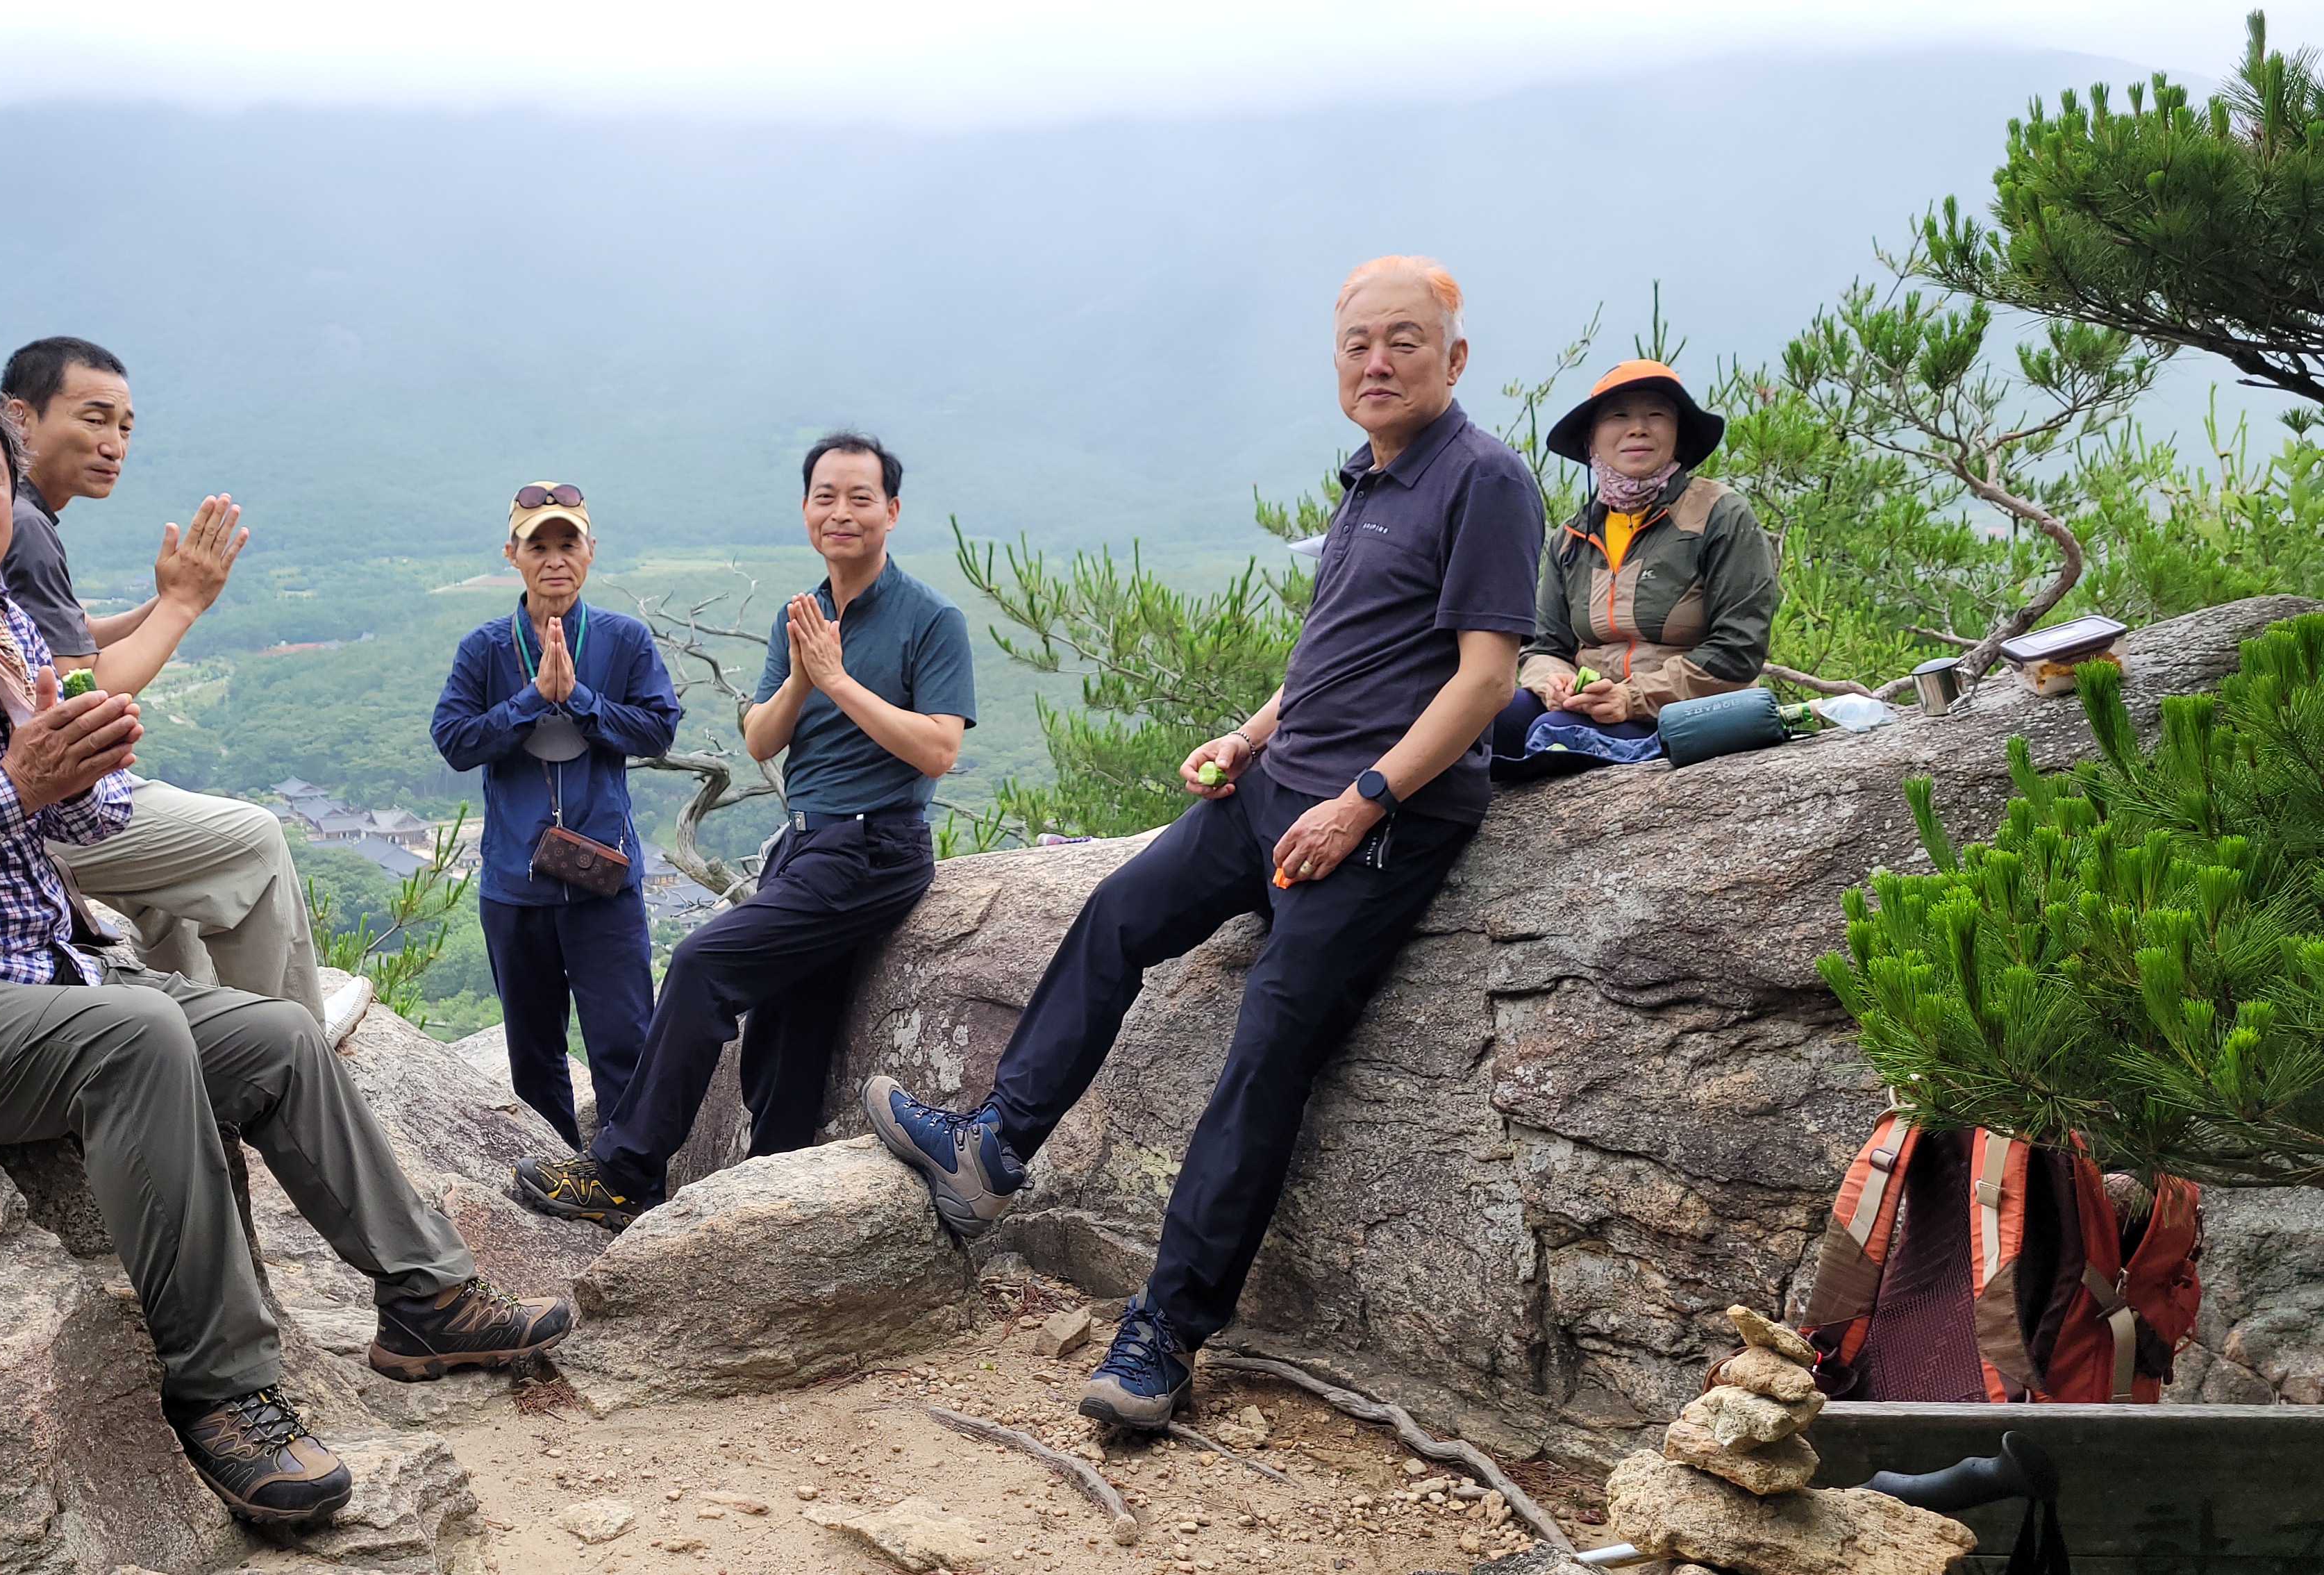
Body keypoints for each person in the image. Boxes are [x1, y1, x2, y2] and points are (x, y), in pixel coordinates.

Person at [0, 372, 572, 1527]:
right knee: (139, 1034)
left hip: (20, 973)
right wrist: (15, 783)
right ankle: (226, 1391)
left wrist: (85, 770)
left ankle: (427, 1299)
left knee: (278, 1037)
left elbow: (79, 821)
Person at [863, 258, 1544, 1428]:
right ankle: (994, 1146)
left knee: (1268, 1048)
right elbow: (1338, 649)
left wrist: (1364, 799)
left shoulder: (1482, 477)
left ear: (1455, 357)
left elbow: (1485, 678)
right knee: (1119, 911)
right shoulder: (1368, 476)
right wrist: (1249, 734)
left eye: (1404, 340)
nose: (1377, 362)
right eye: (1357, 344)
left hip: (1382, 821)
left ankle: (1167, 1332)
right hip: (1277, 787)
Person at [511, 433, 976, 1230]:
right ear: (805, 510)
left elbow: (939, 748)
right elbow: (761, 738)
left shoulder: (930, 618)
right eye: (825, 496)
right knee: (785, 1037)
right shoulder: (803, 615)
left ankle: (623, 1173)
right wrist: (804, 675)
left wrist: (837, 680)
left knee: (702, 965)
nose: (840, 512)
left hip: (874, 846)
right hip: (807, 843)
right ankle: (772, 1210)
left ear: (892, 511)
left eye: (860, 497)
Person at [0, 337, 340, 1034]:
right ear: (19, 417)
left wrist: (165, 601)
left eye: (125, 427)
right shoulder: (23, 524)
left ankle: (206, 1036)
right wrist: (183, 606)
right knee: (253, 843)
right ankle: (290, 1051)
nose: (113, 444)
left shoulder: (12, 511)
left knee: (174, 872)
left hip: (7, 791)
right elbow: (84, 696)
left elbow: (65, 639)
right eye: (94, 418)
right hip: (25, 807)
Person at [430, 483, 682, 1150]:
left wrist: (583, 701)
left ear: (590, 551)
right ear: (511, 555)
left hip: (605, 882)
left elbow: (659, 730)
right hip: (516, 886)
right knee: (534, 1055)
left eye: (567, 543)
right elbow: (454, 741)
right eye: (537, 546)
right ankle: (553, 1177)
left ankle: (632, 1185)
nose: (554, 559)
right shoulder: (486, 648)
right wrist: (532, 700)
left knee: (625, 1045)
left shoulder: (623, 641)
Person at [1486, 359, 1778, 778]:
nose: (1638, 428)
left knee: (1557, 732)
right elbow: (1546, 646)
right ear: (1591, 439)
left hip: (1686, 710)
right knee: (1481, 719)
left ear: (1678, 434)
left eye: (1656, 415)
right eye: (1618, 416)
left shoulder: (1719, 514)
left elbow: (1739, 650)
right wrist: (1555, 683)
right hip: (1588, 704)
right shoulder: (1572, 537)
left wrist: (1631, 698)